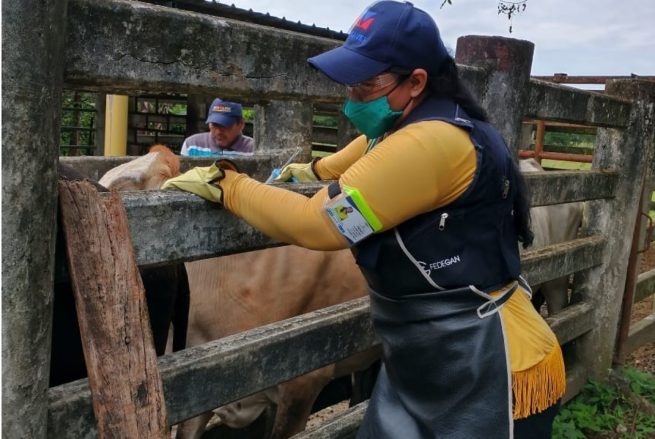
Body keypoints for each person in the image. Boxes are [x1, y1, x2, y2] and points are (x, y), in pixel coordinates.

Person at [163, 2, 565, 437]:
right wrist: (309, 172)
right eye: (350, 82)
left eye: (366, 83)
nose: (351, 98)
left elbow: (318, 223)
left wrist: (229, 185)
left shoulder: (432, 144)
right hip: (430, 358)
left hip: (488, 367)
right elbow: (349, 158)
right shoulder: (410, 127)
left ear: (416, 82)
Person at [180, 98, 254, 156]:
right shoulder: (191, 145)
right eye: (214, 125)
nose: (218, 132)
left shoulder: (254, 150)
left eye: (225, 125)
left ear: (241, 124)